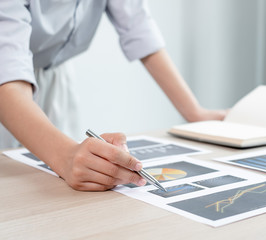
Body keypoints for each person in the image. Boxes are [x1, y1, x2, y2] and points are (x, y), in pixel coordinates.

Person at [0, 0, 226, 191]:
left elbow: (138, 26)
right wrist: (66, 156)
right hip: (8, 88)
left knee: (51, 186)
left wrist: (194, 112)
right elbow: (7, 74)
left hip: (55, 72)